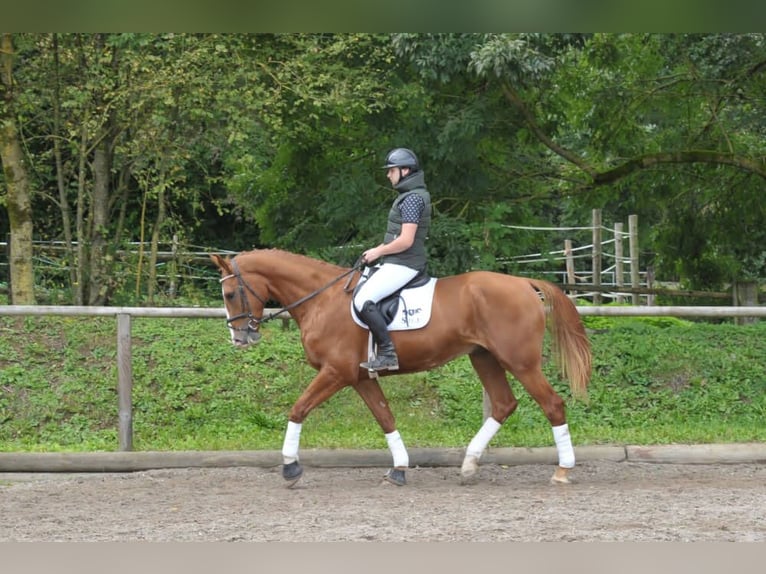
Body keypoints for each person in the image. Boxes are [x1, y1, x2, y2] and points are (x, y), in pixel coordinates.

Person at [354, 147, 432, 371]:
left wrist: (379, 252)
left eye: (392, 170)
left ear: (405, 170)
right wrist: (376, 249)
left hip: (406, 263)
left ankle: (387, 354)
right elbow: (396, 237)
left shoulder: (412, 199)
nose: (388, 175)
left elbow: (406, 241)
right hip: (399, 260)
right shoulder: (409, 197)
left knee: (363, 300)